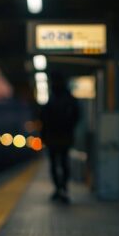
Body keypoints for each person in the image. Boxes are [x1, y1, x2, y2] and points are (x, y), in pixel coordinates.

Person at [39, 71, 79, 203]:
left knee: (55, 163)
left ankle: (59, 188)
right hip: (64, 136)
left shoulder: (51, 99)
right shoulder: (69, 99)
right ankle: (63, 188)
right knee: (63, 162)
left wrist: (43, 136)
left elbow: (44, 120)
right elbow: (77, 116)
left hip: (53, 136)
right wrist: (69, 127)